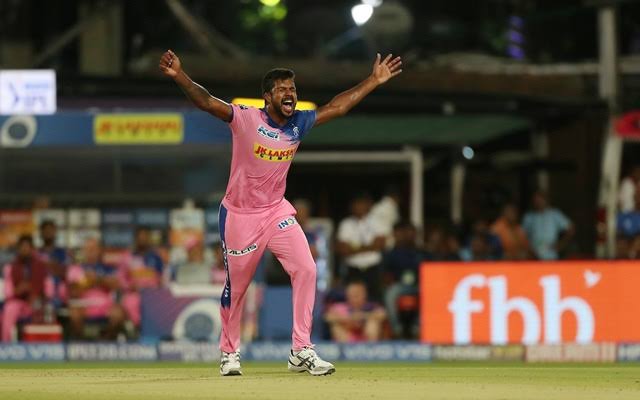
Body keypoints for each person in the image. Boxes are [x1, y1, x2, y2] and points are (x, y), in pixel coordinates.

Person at [160, 49, 402, 376]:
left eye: (293, 89)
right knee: (238, 287)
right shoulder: (246, 119)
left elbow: (338, 107)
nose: (290, 94)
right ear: (267, 97)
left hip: (275, 211)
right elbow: (206, 102)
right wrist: (179, 76)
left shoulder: (299, 122)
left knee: (307, 268)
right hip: (240, 216)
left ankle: (300, 350)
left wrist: (373, 80)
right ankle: (229, 352)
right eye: (282, 89)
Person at [67, 238, 125, 340]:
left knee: (118, 313)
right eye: (88, 249)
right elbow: (73, 292)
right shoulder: (76, 268)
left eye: (93, 249)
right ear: (84, 251)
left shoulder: (109, 268)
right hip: (83, 305)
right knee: (74, 314)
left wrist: (97, 279)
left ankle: (106, 340)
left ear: (100, 250)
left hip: (105, 305)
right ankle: (82, 343)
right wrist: (87, 282)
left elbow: (116, 285)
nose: (90, 252)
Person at [336, 193, 387, 301]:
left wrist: (354, 248)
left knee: (375, 299)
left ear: (368, 205)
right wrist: (371, 246)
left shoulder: (378, 222)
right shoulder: (346, 223)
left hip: (373, 268)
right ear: (351, 206)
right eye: (356, 204)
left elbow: (381, 244)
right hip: (353, 269)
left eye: (362, 204)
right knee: (352, 299)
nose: (359, 207)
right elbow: (343, 250)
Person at [2, 235, 48, 342]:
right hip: (17, 301)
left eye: (27, 247)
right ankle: (5, 344)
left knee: (43, 307)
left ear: (32, 249)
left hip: (36, 301)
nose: (25, 250)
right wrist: (17, 290)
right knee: (9, 309)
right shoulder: (10, 267)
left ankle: (41, 343)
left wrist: (36, 294)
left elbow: (47, 288)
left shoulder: (41, 265)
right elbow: (7, 292)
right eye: (22, 247)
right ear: (18, 249)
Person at [382, 221, 422, 338]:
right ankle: (397, 329)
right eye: (407, 232)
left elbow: (430, 270)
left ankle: (417, 327)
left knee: (430, 292)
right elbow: (385, 273)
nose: (409, 235)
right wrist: (389, 281)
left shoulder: (421, 252)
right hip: (399, 285)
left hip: (419, 285)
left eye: (412, 233)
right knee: (390, 293)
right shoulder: (391, 253)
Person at [119, 226, 164, 329]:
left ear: (149, 239)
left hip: (153, 294)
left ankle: (151, 330)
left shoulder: (156, 257)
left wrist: (156, 288)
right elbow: (121, 278)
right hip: (134, 293)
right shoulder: (128, 257)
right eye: (140, 237)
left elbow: (162, 278)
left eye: (145, 237)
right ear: (136, 239)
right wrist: (130, 286)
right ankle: (138, 329)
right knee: (131, 303)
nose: (142, 239)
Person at [522, 191, 575, 260]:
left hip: (551, 254)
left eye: (540, 200)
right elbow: (522, 235)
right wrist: (529, 249)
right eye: (536, 201)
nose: (538, 203)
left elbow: (571, 228)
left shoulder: (554, 214)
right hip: (534, 254)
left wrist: (561, 245)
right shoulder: (529, 217)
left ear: (546, 200)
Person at [38, 220, 68, 308]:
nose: (48, 232)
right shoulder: (36, 253)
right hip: (41, 293)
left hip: (59, 293)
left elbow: (66, 272)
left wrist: (52, 266)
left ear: (55, 232)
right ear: (41, 233)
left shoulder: (62, 252)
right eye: (45, 230)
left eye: (50, 230)